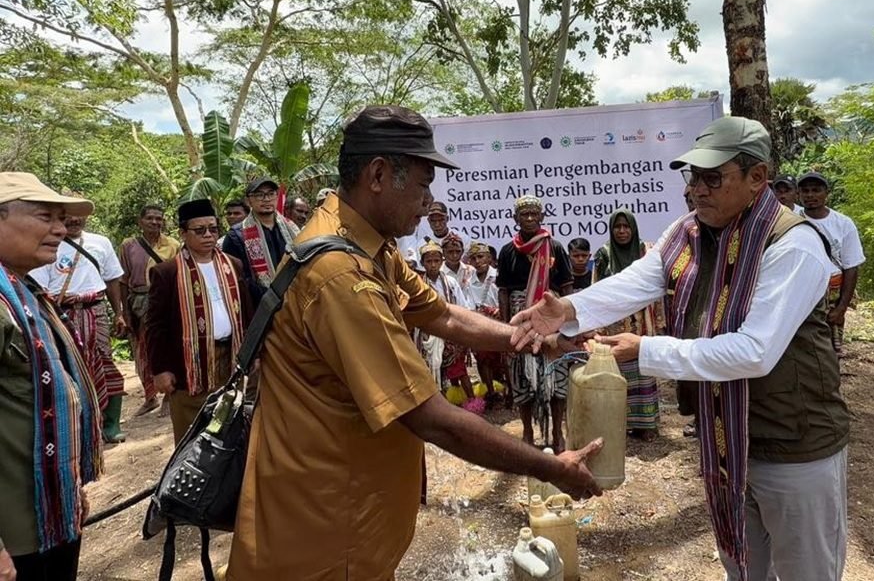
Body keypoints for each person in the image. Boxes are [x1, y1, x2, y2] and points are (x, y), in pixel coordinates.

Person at [228, 105, 602, 580]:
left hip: (345, 519)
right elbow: (432, 418)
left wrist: (526, 338)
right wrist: (551, 466)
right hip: (324, 533)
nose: (429, 201)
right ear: (379, 174)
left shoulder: (363, 240)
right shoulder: (341, 275)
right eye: (424, 184)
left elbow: (441, 313)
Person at [511, 117, 850, 581]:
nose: (698, 190)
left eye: (714, 178)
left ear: (757, 179)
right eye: (693, 177)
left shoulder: (793, 245)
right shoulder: (688, 233)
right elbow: (641, 280)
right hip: (727, 442)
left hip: (793, 442)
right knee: (743, 568)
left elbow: (754, 352)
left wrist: (646, 350)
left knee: (806, 572)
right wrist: (568, 308)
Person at [0, 173, 102, 581]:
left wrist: (70, 485)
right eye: (46, 216)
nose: (60, 229)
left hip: (47, 516)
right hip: (16, 534)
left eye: (62, 218)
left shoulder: (22, 290)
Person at [146, 200, 254, 444]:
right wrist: (160, 369)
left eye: (213, 229)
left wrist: (252, 353)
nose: (208, 235)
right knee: (192, 434)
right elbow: (155, 326)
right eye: (200, 230)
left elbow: (247, 312)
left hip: (230, 359)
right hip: (188, 366)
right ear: (183, 233)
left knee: (231, 425)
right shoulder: (167, 272)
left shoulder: (232, 265)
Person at [29, 208, 128, 444]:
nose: (74, 220)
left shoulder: (100, 243)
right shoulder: (48, 245)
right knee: (68, 365)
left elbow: (113, 279)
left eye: (78, 216)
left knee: (104, 362)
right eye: (67, 216)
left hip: (96, 310)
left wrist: (119, 314)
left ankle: (111, 423)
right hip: (61, 312)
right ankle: (81, 426)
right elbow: (40, 288)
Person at [497, 195, 574, 451]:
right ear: (515, 218)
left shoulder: (556, 247)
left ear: (541, 217)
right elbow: (504, 291)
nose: (529, 218)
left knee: (556, 373)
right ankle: (528, 432)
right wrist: (507, 325)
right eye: (524, 214)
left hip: (551, 316)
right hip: (521, 320)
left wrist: (570, 320)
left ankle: (556, 432)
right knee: (522, 376)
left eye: (533, 214)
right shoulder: (508, 251)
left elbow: (566, 286)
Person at [591, 209, 665, 441]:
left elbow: (658, 287)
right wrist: (598, 324)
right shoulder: (604, 254)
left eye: (626, 226)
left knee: (644, 371)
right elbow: (596, 289)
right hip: (615, 325)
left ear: (633, 228)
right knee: (618, 374)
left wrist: (660, 320)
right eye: (617, 227)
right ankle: (618, 425)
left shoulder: (647, 252)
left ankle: (646, 424)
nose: (622, 231)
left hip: (644, 323)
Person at [118, 204, 181, 416]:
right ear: (140, 221)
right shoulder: (128, 246)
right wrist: (124, 312)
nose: (155, 222)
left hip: (166, 300)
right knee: (141, 349)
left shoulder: (173, 245)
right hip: (138, 301)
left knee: (166, 345)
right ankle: (150, 396)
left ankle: (170, 397)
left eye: (159, 218)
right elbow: (123, 280)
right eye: (150, 218)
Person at [799, 172, 865, 357]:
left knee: (831, 347)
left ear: (826, 193)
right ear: (799, 194)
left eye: (816, 190)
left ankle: (829, 380)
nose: (810, 195)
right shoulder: (791, 220)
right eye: (806, 191)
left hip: (832, 291)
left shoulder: (843, 223)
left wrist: (842, 307)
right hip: (802, 289)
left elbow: (851, 266)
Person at [222, 177, 299, 304]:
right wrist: (271, 298)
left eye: (271, 194)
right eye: (259, 195)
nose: (266, 199)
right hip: (260, 307)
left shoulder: (292, 229)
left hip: (295, 301)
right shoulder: (236, 236)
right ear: (248, 201)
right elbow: (239, 279)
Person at [419, 242, 477, 404]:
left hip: (450, 330)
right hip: (429, 333)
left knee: (459, 370)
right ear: (423, 263)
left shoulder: (450, 282)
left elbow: (462, 306)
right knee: (435, 371)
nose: (433, 265)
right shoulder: (419, 283)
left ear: (441, 261)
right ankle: (445, 405)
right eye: (429, 261)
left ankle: (473, 403)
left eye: (436, 261)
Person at [466, 241, 508, 407]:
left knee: (504, 359)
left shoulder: (498, 276)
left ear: (489, 258)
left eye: (481, 256)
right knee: (483, 359)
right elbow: (469, 304)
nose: (478, 261)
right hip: (481, 323)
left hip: (500, 321)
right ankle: (491, 392)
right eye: (474, 258)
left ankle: (510, 393)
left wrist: (498, 312)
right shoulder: (470, 282)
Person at [397, 200, 470, 265]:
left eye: (441, 220)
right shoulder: (423, 244)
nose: (437, 224)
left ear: (447, 219)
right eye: (433, 221)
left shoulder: (462, 239)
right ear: (428, 221)